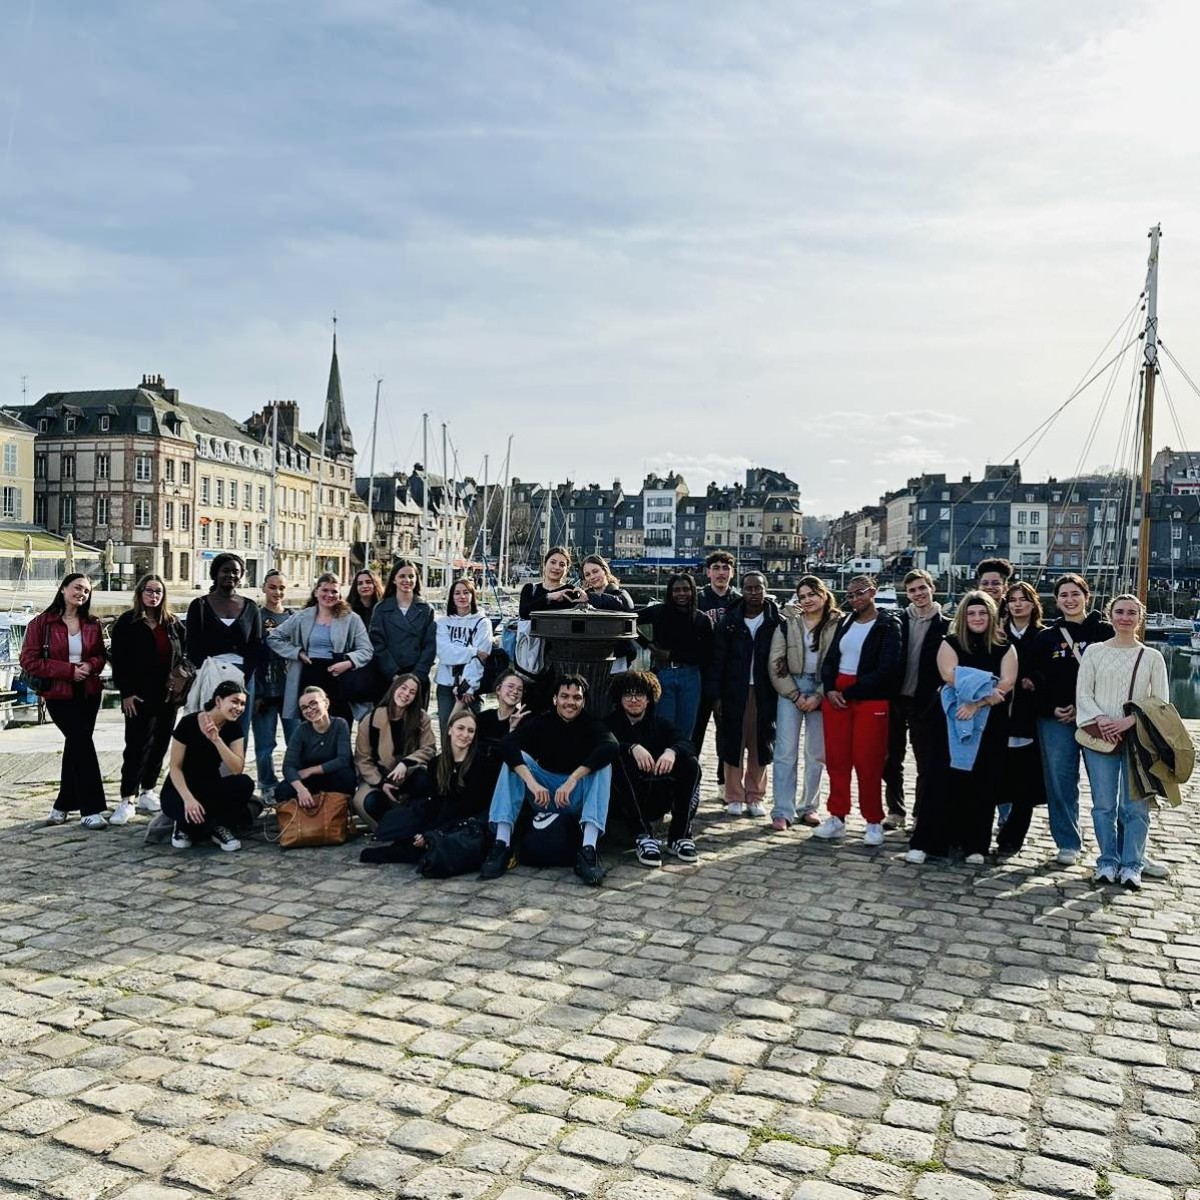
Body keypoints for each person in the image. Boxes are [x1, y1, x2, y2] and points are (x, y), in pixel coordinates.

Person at [906, 591, 1016, 865]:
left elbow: (1006, 683)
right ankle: (927, 842)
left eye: (982, 613)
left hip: (990, 723)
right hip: (951, 720)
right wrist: (986, 689)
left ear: (991, 616)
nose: (977, 618)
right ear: (963, 617)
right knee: (940, 780)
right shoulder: (951, 643)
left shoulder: (1005, 647)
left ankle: (975, 845)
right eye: (971, 613)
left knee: (983, 782)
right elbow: (949, 675)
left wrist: (977, 703)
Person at [479, 674, 618, 886]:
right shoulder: (541, 721)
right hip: (542, 794)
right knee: (514, 760)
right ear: (555, 699)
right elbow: (507, 744)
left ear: (583, 702)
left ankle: (588, 849)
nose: (570, 702)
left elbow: (611, 746)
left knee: (603, 766)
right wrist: (532, 783)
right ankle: (502, 843)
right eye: (565, 696)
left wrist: (573, 779)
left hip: (573, 797)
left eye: (577, 698)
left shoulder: (591, 724)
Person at [1075, 594, 1168, 890]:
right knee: (1103, 805)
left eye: (1131, 613)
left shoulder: (1152, 657)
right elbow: (1083, 693)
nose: (1125, 618)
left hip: (1138, 739)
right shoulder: (1094, 652)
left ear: (1139, 618)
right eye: (1119, 612)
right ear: (1110, 615)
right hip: (1101, 737)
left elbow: (1160, 701)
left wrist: (1129, 721)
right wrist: (1101, 718)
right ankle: (1107, 860)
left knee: (1135, 806)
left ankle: (1132, 864)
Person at [1030, 574, 1114, 866]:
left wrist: (1085, 709)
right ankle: (1067, 841)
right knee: (1061, 782)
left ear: (1086, 596)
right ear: (1056, 600)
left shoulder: (1105, 632)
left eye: (1075, 593)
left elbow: (1115, 678)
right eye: (1064, 595)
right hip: (1056, 719)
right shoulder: (1046, 638)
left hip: (1097, 717)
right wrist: (1051, 708)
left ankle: (1113, 845)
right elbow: (1033, 681)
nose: (1070, 599)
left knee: (1105, 784)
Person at [814, 575, 902, 845]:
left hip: (869, 697)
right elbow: (830, 659)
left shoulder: (888, 624)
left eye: (860, 593)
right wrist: (830, 688)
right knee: (837, 760)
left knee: (869, 761)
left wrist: (849, 692)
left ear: (872, 592)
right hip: (838, 696)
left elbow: (887, 668)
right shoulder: (846, 622)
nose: (854, 599)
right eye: (850, 595)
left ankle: (873, 820)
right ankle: (837, 816)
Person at [20, 574, 108, 829]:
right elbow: (28, 661)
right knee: (82, 743)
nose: (82, 594)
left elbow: (100, 656)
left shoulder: (92, 623)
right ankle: (91, 809)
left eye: (87, 591)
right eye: (78, 588)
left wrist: (89, 665)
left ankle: (62, 806)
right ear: (63, 589)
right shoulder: (41, 623)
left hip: (89, 693)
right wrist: (69, 671)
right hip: (59, 694)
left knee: (75, 746)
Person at [363, 712, 491, 864]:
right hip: (441, 816)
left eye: (471, 731)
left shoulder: (481, 763)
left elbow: (469, 806)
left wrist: (433, 833)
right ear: (450, 730)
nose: (465, 735)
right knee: (406, 828)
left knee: (427, 849)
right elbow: (434, 801)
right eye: (460, 728)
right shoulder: (436, 763)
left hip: (466, 822)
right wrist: (423, 830)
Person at [109, 574, 187, 824]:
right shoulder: (127, 622)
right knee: (136, 746)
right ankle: (127, 799)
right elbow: (118, 660)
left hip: (167, 696)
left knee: (160, 744)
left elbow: (186, 651)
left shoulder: (172, 623)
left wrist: (181, 675)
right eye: (149, 591)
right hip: (138, 695)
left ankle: (148, 790)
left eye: (158, 591)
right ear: (140, 593)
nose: (154, 595)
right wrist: (126, 693)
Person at [605, 671, 701, 866]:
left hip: (657, 796)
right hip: (623, 803)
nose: (633, 700)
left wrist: (672, 751)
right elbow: (602, 744)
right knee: (620, 761)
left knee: (690, 764)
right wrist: (631, 748)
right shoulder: (611, 723)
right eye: (628, 694)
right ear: (620, 698)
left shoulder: (660, 724)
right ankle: (643, 836)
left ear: (648, 699)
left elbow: (687, 743)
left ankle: (679, 835)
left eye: (639, 695)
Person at [769, 576, 841, 830]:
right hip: (791, 686)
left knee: (816, 752)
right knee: (785, 751)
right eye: (802, 596)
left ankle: (809, 806)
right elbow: (776, 662)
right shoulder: (788, 623)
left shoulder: (837, 624)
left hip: (821, 687)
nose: (807, 600)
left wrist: (819, 695)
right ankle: (782, 810)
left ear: (823, 594)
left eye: (812, 594)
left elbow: (839, 662)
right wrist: (795, 695)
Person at [710, 572, 783, 819]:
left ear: (765, 589)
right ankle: (734, 795)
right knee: (733, 743)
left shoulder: (776, 621)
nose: (753, 592)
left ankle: (755, 795)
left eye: (758, 588)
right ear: (742, 590)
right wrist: (717, 695)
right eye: (749, 588)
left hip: (765, 691)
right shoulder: (729, 621)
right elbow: (718, 660)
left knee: (760, 743)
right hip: (734, 690)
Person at [883, 569, 951, 831]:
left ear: (932, 588)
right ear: (907, 594)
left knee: (926, 762)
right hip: (897, 698)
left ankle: (920, 814)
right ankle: (895, 811)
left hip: (927, 702)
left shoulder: (946, 626)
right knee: (891, 759)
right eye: (912, 590)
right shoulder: (897, 622)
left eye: (922, 588)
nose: (918, 594)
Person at [267, 573, 373, 726]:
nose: (329, 595)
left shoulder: (351, 618)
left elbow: (366, 649)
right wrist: (297, 653)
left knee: (340, 724)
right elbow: (274, 638)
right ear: (316, 592)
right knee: (311, 725)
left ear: (340, 595)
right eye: (325, 590)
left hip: (339, 677)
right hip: (310, 674)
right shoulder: (302, 617)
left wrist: (348, 662)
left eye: (334, 591)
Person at [161, 680, 255, 852]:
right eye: (235, 701)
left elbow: (237, 769)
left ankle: (220, 826)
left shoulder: (234, 729)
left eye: (242, 704)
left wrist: (217, 740)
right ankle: (184, 825)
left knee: (244, 783)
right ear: (218, 701)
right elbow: (175, 767)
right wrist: (188, 799)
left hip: (210, 785)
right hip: (181, 787)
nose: (239, 708)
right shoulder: (189, 723)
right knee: (192, 825)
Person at [994, 580, 1047, 856]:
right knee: (997, 777)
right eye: (1012, 599)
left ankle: (1012, 837)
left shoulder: (1043, 635)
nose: (1017, 604)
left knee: (1025, 783)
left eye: (1023, 599)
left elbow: (1051, 670)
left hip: (1029, 715)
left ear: (1033, 604)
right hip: (998, 713)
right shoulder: (998, 634)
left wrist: (1034, 678)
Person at [185, 553, 261, 735]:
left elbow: (256, 645)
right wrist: (207, 670)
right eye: (225, 571)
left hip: (243, 677)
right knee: (210, 729)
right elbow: (192, 644)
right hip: (210, 674)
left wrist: (245, 675)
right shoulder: (199, 605)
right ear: (215, 573)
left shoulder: (251, 607)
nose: (231, 575)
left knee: (238, 732)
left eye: (236, 572)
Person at [352, 673, 437, 826]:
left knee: (424, 780)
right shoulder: (370, 719)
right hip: (378, 777)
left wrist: (406, 763)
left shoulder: (421, 717)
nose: (406, 694)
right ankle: (391, 828)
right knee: (371, 802)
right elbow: (362, 758)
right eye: (403, 688)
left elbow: (429, 748)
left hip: (408, 773)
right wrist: (381, 783)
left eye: (412, 692)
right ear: (394, 688)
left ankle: (417, 825)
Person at [638, 573, 713, 745]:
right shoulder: (658, 612)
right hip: (663, 675)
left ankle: (680, 760)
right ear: (670, 592)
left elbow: (706, 655)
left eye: (686, 589)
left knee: (685, 732)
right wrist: (647, 644)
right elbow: (630, 620)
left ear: (693, 591)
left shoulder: (702, 620)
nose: (681, 594)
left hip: (691, 677)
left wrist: (671, 655)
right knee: (663, 729)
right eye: (676, 590)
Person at [693, 550, 741, 800]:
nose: (721, 573)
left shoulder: (739, 601)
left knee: (727, 735)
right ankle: (690, 784)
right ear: (708, 572)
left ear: (732, 572)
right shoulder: (698, 599)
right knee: (695, 733)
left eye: (726, 568)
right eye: (716, 568)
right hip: (701, 675)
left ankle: (725, 784)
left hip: (728, 678)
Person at [252, 570, 297, 802]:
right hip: (265, 690)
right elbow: (252, 656)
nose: (277, 592)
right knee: (265, 744)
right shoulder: (256, 617)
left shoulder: (293, 617)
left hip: (291, 691)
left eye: (281, 588)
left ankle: (295, 782)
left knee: (296, 741)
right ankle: (267, 784)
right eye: (272, 587)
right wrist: (257, 692)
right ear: (264, 588)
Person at [274, 686, 356, 809]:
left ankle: (338, 809)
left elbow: (343, 759)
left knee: (347, 777)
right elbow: (288, 766)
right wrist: (301, 790)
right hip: (308, 780)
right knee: (282, 790)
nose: (309, 710)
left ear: (326, 703)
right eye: (304, 707)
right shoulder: (301, 730)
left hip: (332, 775)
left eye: (313, 703)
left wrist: (311, 770)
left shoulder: (340, 724)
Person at [370, 560, 437, 699]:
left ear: (417, 579)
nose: (407, 580)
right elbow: (377, 643)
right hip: (388, 677)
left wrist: (417, 676)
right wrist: (393, 673)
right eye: (402, 576)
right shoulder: (381, 609)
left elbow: (430, 646)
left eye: (411, 576)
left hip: (417, 677)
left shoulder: (426, 609)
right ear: (394, 579)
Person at [434, 578, 492, 736]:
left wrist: (467, 686)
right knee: (447, 731)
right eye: (457, 593)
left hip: (472, 687)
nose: (462, 596)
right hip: (446, 684)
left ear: (472, 595)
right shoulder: (442, 622)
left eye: (466, 592)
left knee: (472, 734)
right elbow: (444, 653)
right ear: (452, 597)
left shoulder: (483, 623)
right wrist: (473, 651)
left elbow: (482, 658)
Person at [468, 669, 530, 797]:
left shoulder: (524, 721)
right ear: (498, 689)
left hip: (504, 778)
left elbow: (516, 757)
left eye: (520, 689)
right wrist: (460, 703)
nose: (515, 691)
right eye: (511, 686)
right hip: (477, 773)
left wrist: (512, 728)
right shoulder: (483, 717)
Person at [581, 554, 637, 670]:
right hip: (591, 657)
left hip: (617, 656)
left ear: (605, 571)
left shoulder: (619, 593)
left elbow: (625, 604)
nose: (592, 577)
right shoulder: (585, 597)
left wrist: (589, 597)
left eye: (595, 571)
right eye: (587, 574)